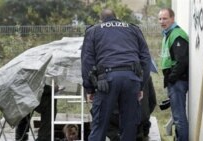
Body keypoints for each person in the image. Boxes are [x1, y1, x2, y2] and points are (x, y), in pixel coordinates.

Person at [81, 8, 154, 141]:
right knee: (129, 127)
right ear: (117, 18)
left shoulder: (94, 31)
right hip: (132, 79)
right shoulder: (133, 29)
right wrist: (141, 85)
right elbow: (146, 59)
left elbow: (87, 61)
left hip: (106, 81)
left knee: (99, 125)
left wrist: (89, 88)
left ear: (100, 20)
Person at [158, 8, 189, 141]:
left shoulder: (177, 34)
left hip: (178, 82)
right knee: (177, 116)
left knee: (179, 117)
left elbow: (182, 61)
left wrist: (171, 78)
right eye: (160, 19)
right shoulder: (168, 34)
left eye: (165, 18)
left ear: (172, 18)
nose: (162, 21)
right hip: (174, 82)